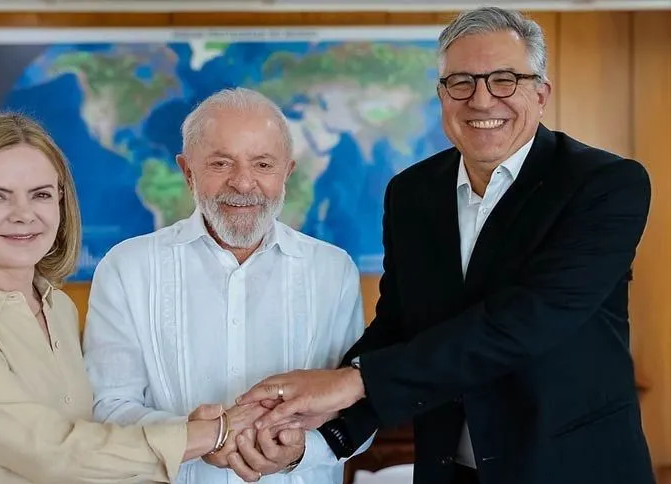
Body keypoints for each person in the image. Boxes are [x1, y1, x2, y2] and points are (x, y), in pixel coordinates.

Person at [237, 7, 655, 484]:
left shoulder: (604, 185)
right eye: (461, 82)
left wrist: (353, 382)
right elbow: (399, 324)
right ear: (442, 96)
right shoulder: (411, 192)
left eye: (504, 79)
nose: (481, 99)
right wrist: (326, 432)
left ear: (540, 95)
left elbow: (524, 322)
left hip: (575, 470)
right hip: (448, 471)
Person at [0, 113, 243, 484]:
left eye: (40, 194)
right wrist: (207, 434)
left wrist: (193, 433)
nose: (23, 215)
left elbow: (88, 450)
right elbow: (54, 452)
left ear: (60, 203)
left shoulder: (57, 308)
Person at [82, 87, 368, 483]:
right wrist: (200, 437)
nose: (244, 183)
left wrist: (301, 450)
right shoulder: (126, 268)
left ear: (287, 172)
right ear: (187, 171)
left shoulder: (334, 271)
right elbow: (107, 408)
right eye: (221, 163)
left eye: (263, 164)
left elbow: (357, 413)